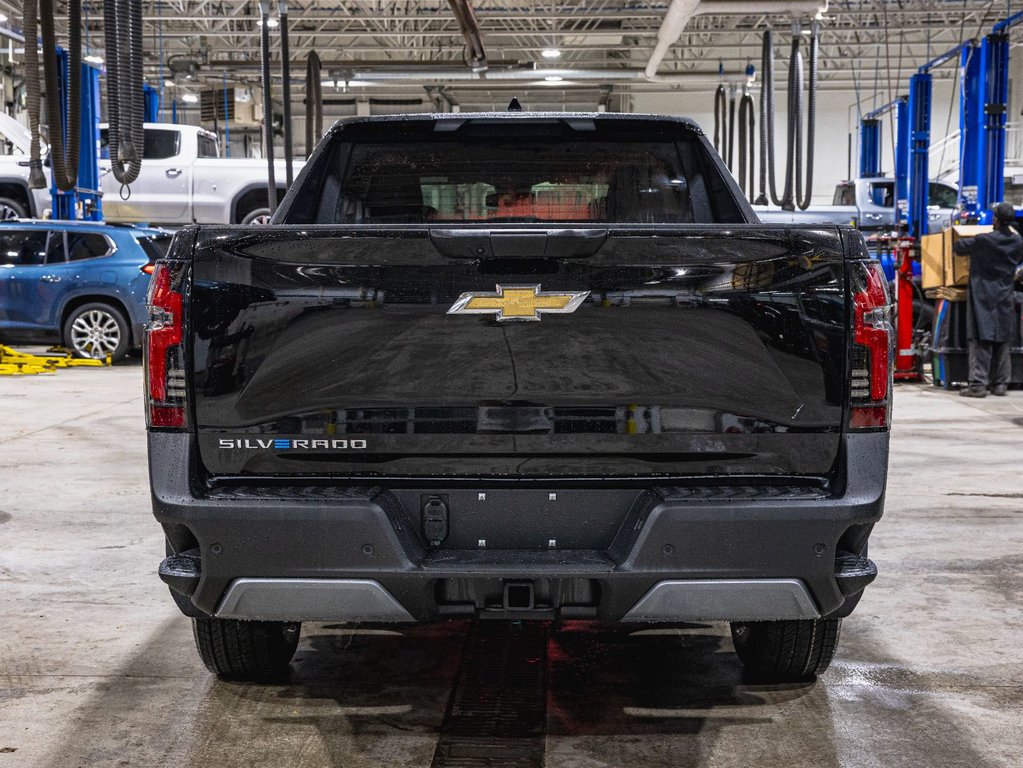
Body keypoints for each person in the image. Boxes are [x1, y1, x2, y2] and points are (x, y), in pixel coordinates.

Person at [954, 202, 1023, 397]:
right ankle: (1000, 384)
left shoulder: (985, 240)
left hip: (982, 295)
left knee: (980, 338)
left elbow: (959, 247)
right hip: (1004, 294)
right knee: (1003, 338)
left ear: (996, 220)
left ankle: (978, 385)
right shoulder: (1018, 242)